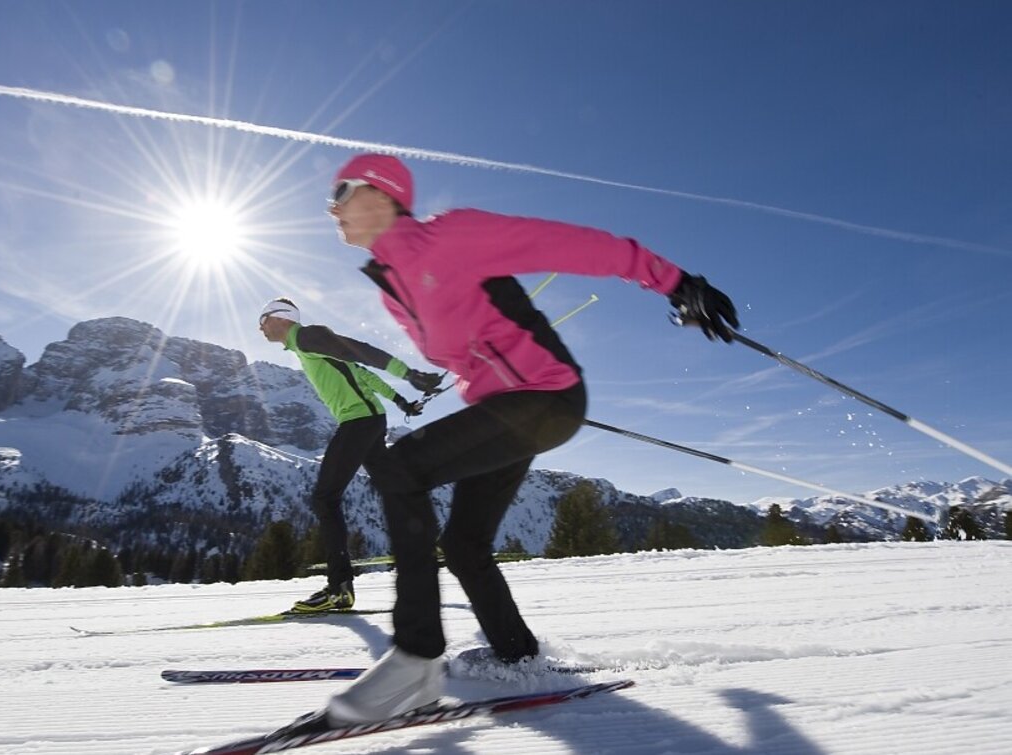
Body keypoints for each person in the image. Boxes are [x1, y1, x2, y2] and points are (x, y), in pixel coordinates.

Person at [318, 153, 740, 724]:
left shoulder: (454, 234)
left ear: (384, 193)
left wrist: (675, 281)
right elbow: (472, 344)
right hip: (507, 407)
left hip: (545, 396)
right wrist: (471, 373)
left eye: (343, 188)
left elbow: (570, 245)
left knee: (399, 468)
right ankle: (515, 654)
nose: (333, 203)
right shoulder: (393, 289)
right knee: (464, 543)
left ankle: (416, 659)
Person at [257, 296, 443, 613]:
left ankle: (339, 588)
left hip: (359, 421)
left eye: (263, 320)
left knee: (325, 498)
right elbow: (363, 373)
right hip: (370, 421)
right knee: (392, 486)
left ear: (281, 318)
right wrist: (403, 402)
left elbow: (358, 349)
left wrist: (408, 374)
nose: (260, 328)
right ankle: (427, 546)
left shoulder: (306, 336)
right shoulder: (309, 348)